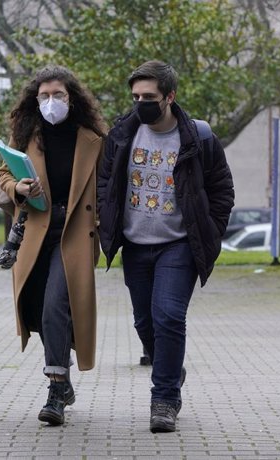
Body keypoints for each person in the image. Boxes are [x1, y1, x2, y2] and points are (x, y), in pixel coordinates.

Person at [97, 60, 235, 433]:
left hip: (179, 245)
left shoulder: (197, 137)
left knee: (168, 316)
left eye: (149, 96)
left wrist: (210, 230)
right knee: (145, 322)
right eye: (136, 96)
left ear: (170, 97)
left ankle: (165, 398)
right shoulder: (122, 135)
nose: (141, 103)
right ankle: (170, 368)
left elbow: (222, 190)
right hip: (136, 245)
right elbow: (105, 182)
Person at [0, 65, 106, 426]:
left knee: (55, 305)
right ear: (35, 99)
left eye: (57, 95)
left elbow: (106, 187)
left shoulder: (92, 138)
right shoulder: (27, 132)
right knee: (36, 307)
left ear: (71, 98)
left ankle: (56, 390)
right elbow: (4, 174)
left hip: (72, 232)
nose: (50, 102)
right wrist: (19, 189)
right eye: (43, 96)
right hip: (34, 230)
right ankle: (63, 376)